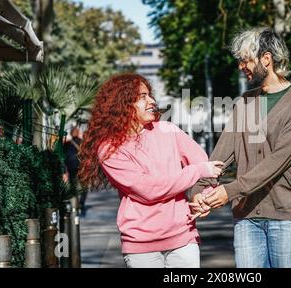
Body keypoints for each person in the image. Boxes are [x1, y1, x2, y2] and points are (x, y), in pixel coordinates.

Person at [188, 27, 291, 268]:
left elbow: (277, 161)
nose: (241, 66)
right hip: (247, 218)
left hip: (286, 217)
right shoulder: (246, 103)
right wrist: (200, 191)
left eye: (245, 60)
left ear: (266, 59)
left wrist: (229, 191)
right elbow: (222, 154)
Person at [77, 73, 223, 268]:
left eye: (150, 95)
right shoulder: (109, 148)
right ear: (122, 104)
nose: (151, 101)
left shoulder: (168, 130)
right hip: (141, 246)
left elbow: (202, 161)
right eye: (142, 97)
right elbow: (148, 189)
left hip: (183, 238)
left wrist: (203, 195)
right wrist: (197, 171)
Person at [63, 126, 87, 215]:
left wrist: (65, 170)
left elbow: (64, 157)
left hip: (71, 167)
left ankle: (75, 204)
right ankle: (81, 204)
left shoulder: (67, 144)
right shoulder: (82, 143)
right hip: (82, 167)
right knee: (84, 186)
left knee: (73, 185)